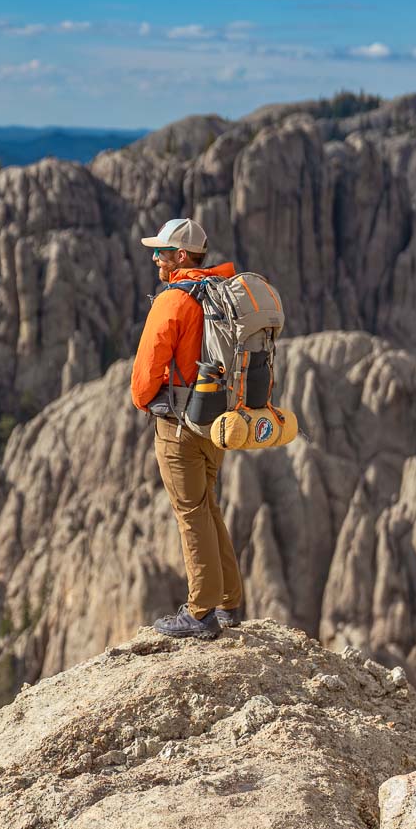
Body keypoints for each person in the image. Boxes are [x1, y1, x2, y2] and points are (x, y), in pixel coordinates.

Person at [130, 218, 244, 640]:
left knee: (191, 513)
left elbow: (146, 369)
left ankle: (200, 613)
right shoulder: (219, 290)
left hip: (179, 425)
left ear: (181, 256)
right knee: (208, 507)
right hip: (217, 422)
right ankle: (230, 602)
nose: (155, 258)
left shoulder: (173, 300)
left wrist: (146, 402)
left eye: (161, 251)